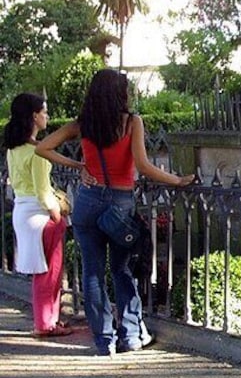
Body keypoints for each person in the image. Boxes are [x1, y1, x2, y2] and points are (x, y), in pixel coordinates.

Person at [37, 69, 194, 356]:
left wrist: (79, 166)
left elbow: (43, 148)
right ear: (118, 94)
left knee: (92, 273)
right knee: (122, 270)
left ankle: (103, 342)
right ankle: (131, 336)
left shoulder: (83, 124)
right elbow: (143, 166)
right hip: (119, 204)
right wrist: (177, 180)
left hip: (87, 202)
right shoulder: (132, 122)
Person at [3, 93, 75, 337]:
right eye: (44, 112)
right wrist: (58, 216)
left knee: (41, 270)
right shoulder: (39, 151)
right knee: (50, 272)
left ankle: (48, 319)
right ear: (34, 116)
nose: (47, 116)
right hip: (41, 215)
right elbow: (44, 192)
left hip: (23, 212)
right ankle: (46, 323)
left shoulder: (14, 148)